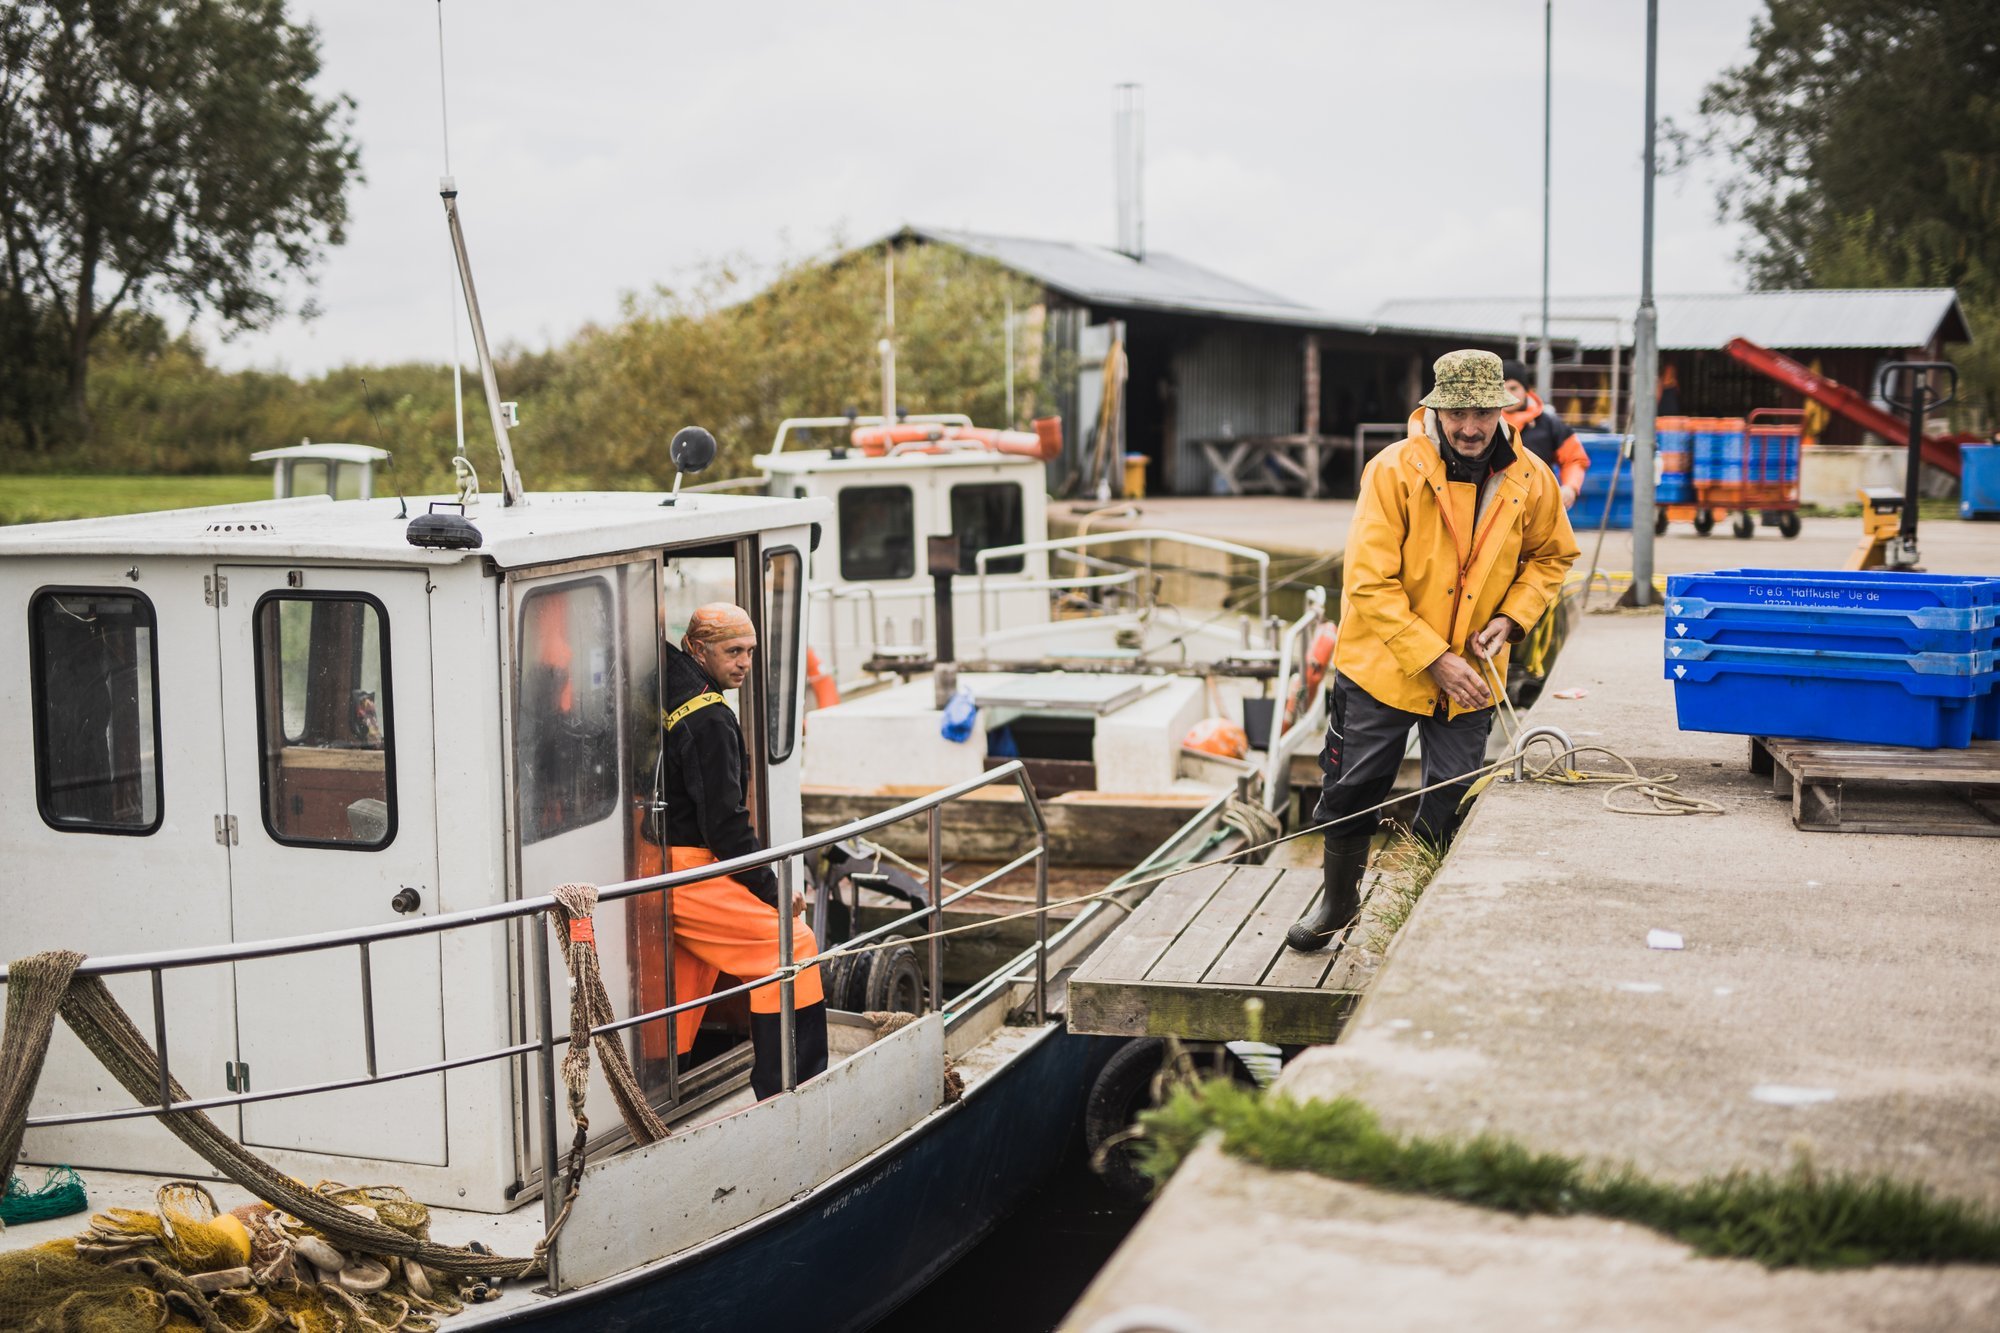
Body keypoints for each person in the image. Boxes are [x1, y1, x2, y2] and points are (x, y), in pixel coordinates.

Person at [1288, 350, 1580, 952]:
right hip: (1381, 668)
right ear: (1435, 409)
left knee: (1454, 792)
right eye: (1457, 413)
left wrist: (1512, 617)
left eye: (1482, 412)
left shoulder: (1532, 477)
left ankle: (1419, 912)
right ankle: (1338, 906)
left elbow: (1553, 557)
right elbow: (1368, 582)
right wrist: (1433, 658)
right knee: (1351, 791)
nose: (1470, 427)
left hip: (1472, 673)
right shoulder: (1391, 471)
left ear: (1504, 408)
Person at [659, 601, 827, 1098]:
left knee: (684, 985)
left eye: (751, 653)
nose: (744, 664)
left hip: (659, 867)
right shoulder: (709, 718)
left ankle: (662, 1085)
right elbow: (726, 827)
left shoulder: (670, 677)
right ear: (698, 648)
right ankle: (790, 1088)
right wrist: (773, 893)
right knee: (791, 946)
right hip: (689, 871)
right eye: (733, 651)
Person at [1501, 358, 1589, 509]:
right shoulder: (1486, 425)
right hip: (1497, 509)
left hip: (1540, 508)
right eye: (1501, 389)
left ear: (1526, 390)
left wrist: (1570, 487)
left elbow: (1575, 459)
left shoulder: (1550, 425)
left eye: (1513, 388)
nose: (1507, 395)